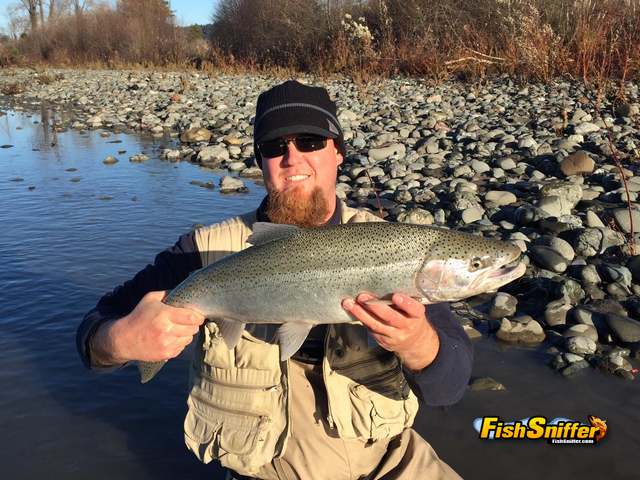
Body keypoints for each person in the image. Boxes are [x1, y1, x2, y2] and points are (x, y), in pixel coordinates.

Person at [76, 80, 473, 480]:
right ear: (260, 160)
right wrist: (121, 340)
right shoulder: (203, 251)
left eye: (310, 142)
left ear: (338, 152)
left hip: (390, 465)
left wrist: (420, 345)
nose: (292, 158)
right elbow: (94, 333)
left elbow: (450, 387)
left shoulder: (398, 248)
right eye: (274, 147)